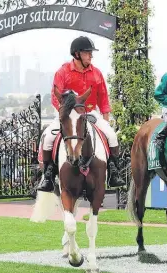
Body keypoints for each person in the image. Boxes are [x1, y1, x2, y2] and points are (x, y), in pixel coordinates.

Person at [36, 36, 125, 192]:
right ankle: (48, 176)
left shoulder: (96, 73)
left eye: (91, 53)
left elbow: (103, 99)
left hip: (90, 112)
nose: (91, 56)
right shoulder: (63, 72)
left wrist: (106, 120)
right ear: (77, 54)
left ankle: (113, 171)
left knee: (111, 136)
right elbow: (55, 97)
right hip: (68, 115)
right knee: (49, 137)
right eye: (87, 53)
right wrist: (65, 114)